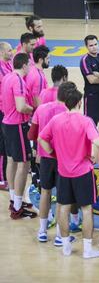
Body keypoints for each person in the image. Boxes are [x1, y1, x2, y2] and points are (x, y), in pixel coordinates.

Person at [38, 87, 99, 258]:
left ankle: (66, 246)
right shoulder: (85, 121)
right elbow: (97, 142)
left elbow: (41, 138)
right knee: (87, 209)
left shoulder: (56, 120)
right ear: (80, 103)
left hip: (64, 171)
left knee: (63, 209)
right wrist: (95, 157)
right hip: (82, 172)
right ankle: (88, 250)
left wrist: (53, 153)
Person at [28, 82, 77, 246]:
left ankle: (42, 232)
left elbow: (32, 134)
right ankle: (59, 236)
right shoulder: (70, 113)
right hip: (63, 160)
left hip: (44, 158)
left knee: (45, 193)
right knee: (63, 198)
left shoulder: (41, 109)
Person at [1, 53, 36, 219]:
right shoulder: (18, 80)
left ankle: (14, 198)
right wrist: (34, 110)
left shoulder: (8, 77)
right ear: (24, 65)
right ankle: (17, 207)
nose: (30, 67)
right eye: (29, 64)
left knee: (11, 160)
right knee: (24, 164)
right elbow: (21, 106)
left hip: (6, 123)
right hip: (17, 125)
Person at [79, 35, 99, 128]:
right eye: (91, 45)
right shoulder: (85, 60)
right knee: (91, 124)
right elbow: (91, 80)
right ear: (87, 47)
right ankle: (92, 142)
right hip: (91, 97)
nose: (94, 47)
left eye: (95, 44)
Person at [0, 42, 13, 186]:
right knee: (2, 144)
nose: (12, 53)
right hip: (2, 110)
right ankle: (1, 179)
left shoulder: (8, 65)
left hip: (7, 110)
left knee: (6, 143)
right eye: (9, 51)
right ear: (2, 52)